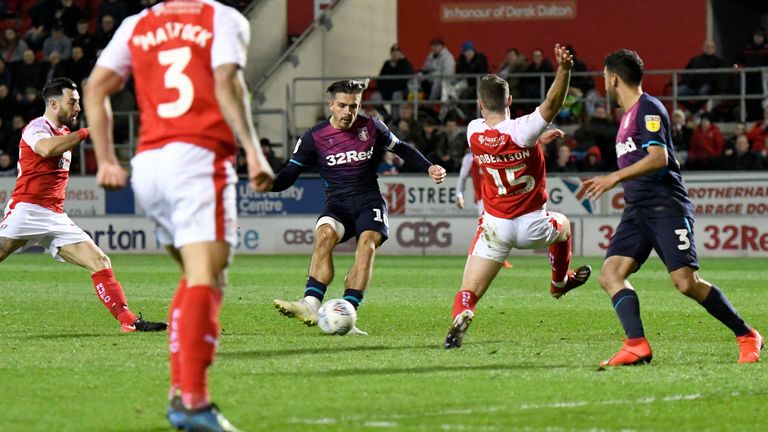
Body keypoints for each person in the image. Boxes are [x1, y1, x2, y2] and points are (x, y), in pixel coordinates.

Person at [84, 0, 275, 430]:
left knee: (194, 276)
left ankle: (180, 391)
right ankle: (193, 401)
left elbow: (95, 88)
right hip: (199, 159)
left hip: (149, 167)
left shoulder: (137, 24)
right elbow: (227, 80)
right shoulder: (223, 18)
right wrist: (254, 151)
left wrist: (107, 159)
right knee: (208, 277)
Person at [578, 49, 763, 366]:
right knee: (611, 274)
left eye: (604, 78)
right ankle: (636, 344)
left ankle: (747, 335)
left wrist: (614, 178)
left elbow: (659, 158)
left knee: (685, 283)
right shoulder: (627, 117)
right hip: (637, 211)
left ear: (612, 79)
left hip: (666, 206)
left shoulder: (649, 109)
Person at [444, 45, 592, 350]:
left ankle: (462, 315)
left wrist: (537, 139)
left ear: (479, 103)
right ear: (509, 100)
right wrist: (564, 69)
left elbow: (504, 143)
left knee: (468, 290)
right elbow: (552, 103)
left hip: (495, 226)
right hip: (532, 225)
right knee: (563, 226)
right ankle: (559, 283)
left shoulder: (473, 132)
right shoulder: (522, 130)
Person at [272, 79, 446, 335]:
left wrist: (428, 166)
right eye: (342, 105)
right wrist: (265, 183)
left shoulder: (372, 126)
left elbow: (401, 149)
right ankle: (310, 304)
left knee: (367, 245)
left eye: (353, 106)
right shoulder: (314, 137)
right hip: (337, 204)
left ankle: (348, 311)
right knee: (324, 236)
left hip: (369, 202)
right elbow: (288, 175)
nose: (348, 112)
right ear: (331, 105)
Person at [0, 77, 166, 334]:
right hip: (27, 210)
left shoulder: (66, 133)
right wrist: (86, 133)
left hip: (55, 216)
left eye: (78, 102)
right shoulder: (37, 127)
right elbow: (45, 150)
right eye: (73, 102)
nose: (78, 108)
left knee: (100, 261)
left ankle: (129, 322)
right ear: (53, 103)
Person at [455, 149, 512, 269]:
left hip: (498, 197)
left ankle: (492, 258)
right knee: (488, 227)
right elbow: (463, 177)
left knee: (497, 227)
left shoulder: (494, 154)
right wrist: (459, 194)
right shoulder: (470, 158)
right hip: (482, 198)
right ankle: (490, 258)